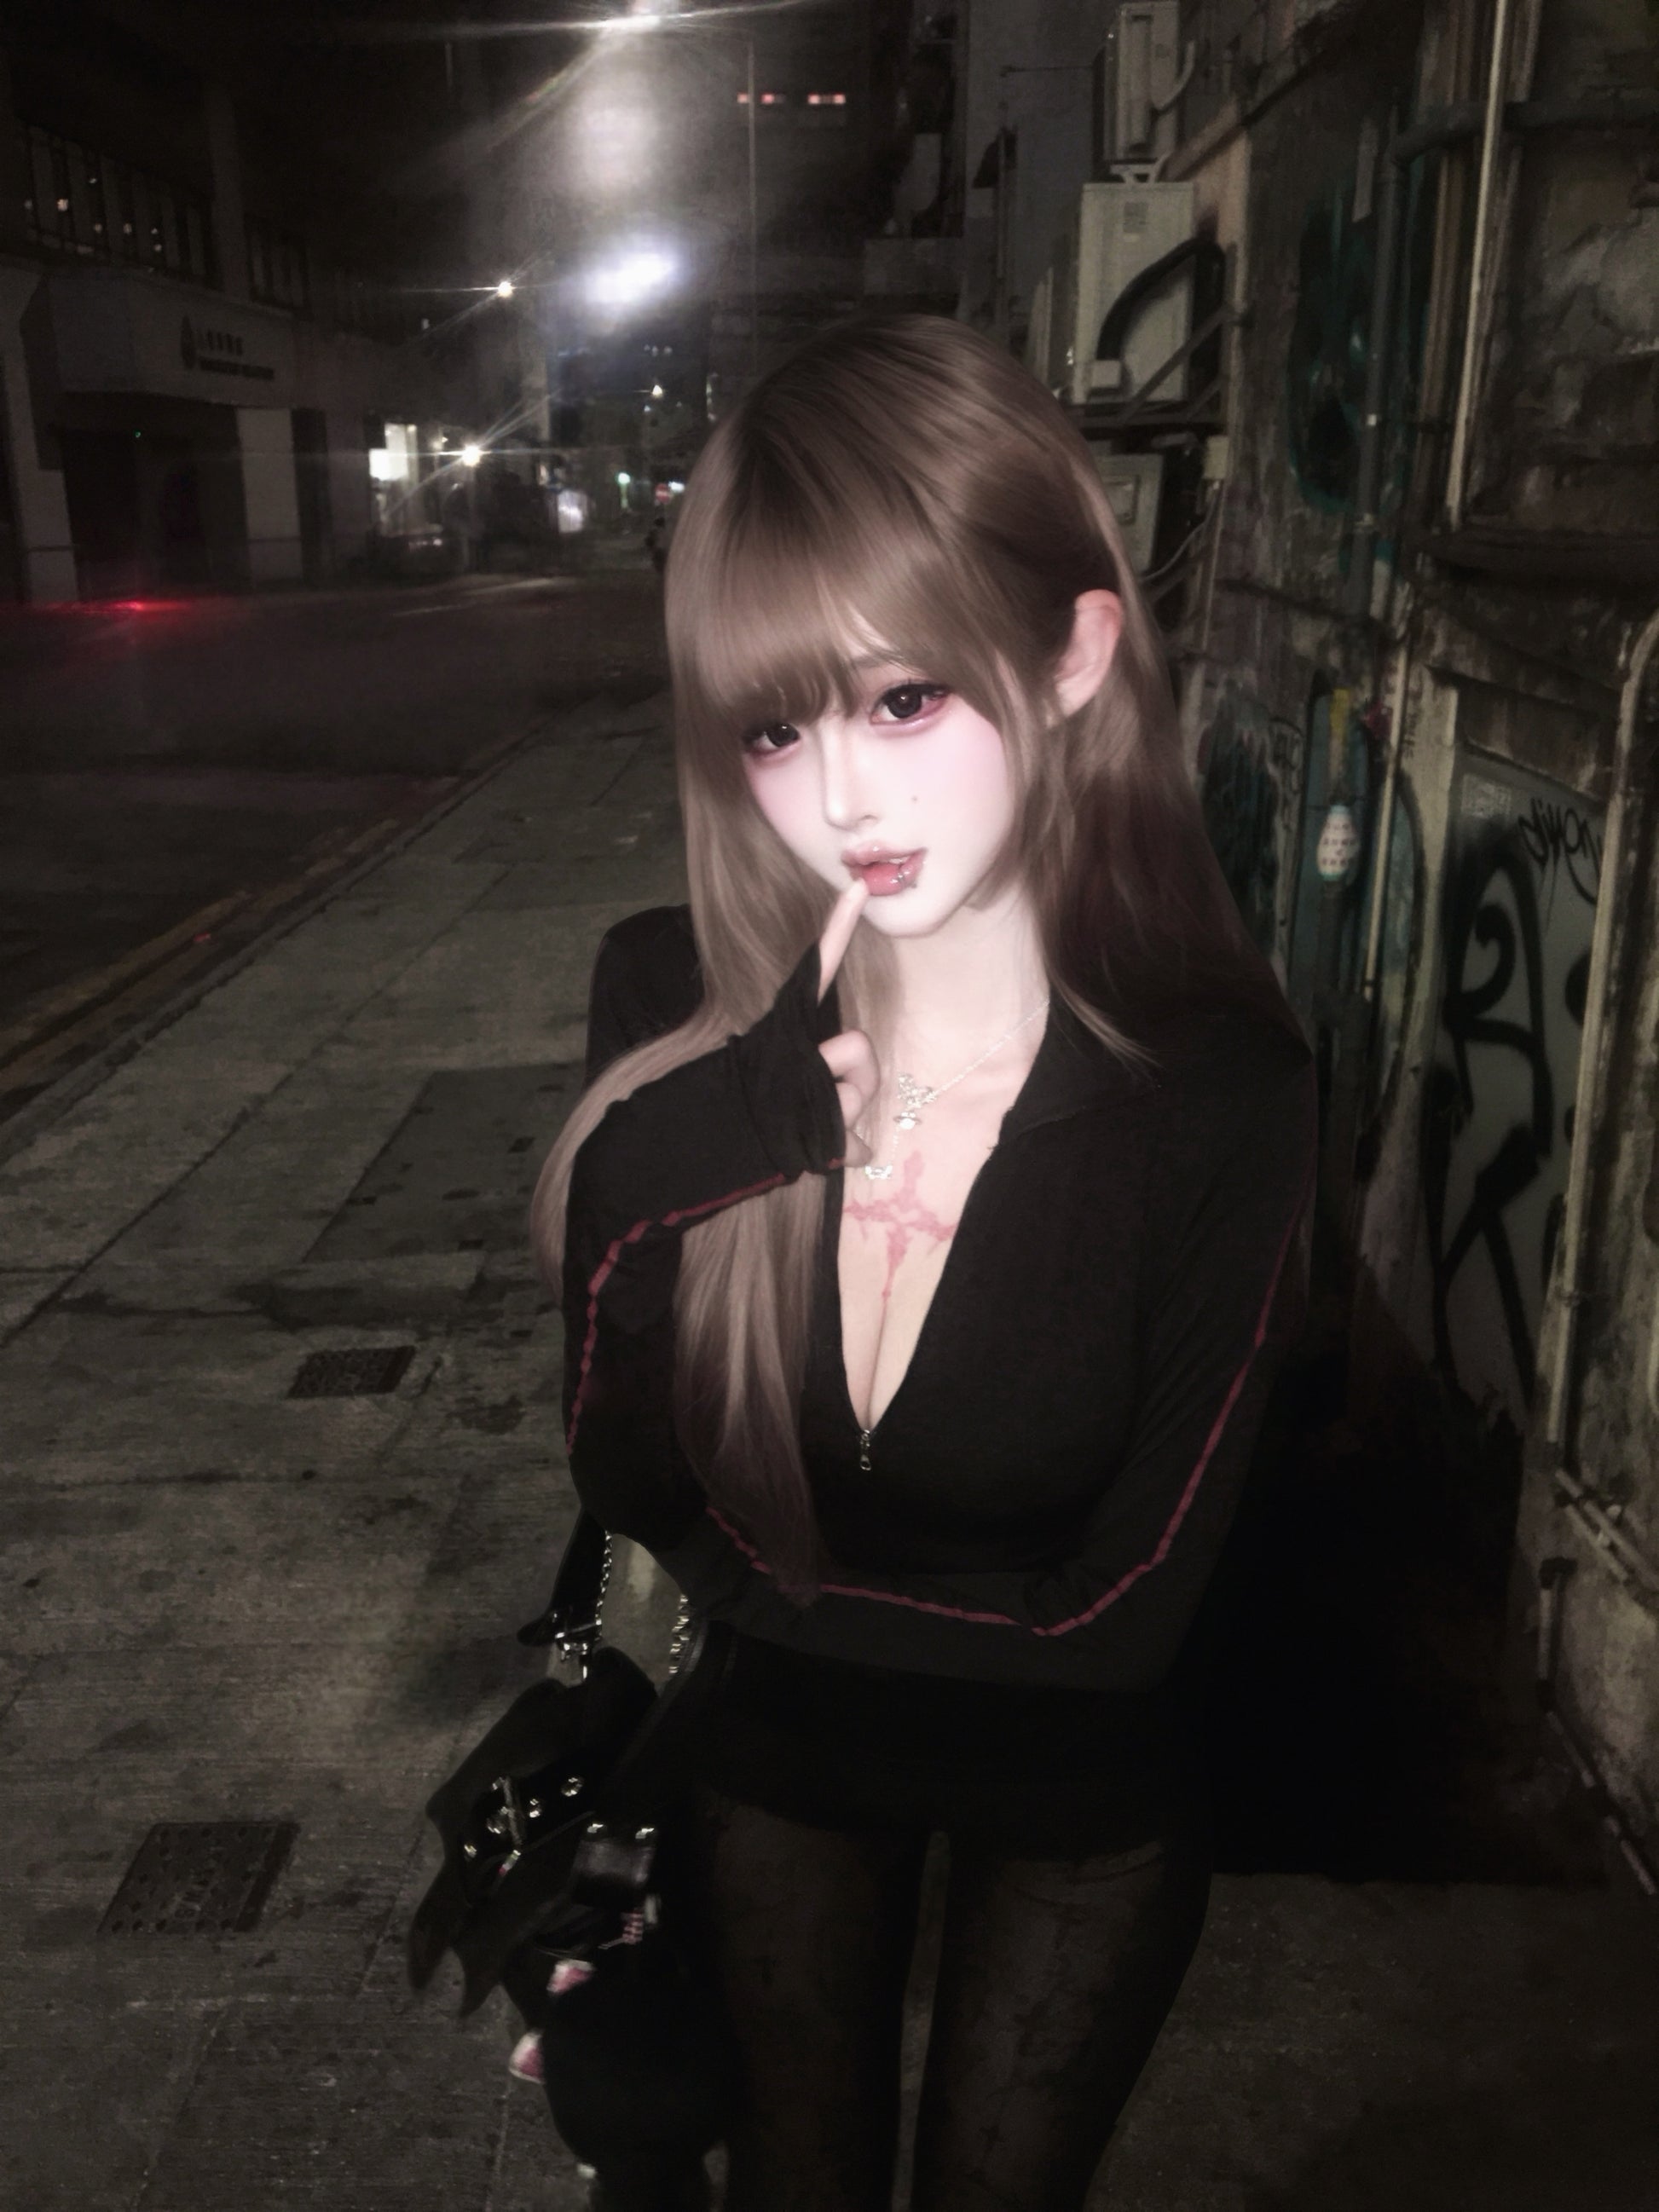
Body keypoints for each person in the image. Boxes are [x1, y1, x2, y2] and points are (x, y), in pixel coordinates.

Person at [532, 311, 1316, 2212]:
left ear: (1069, 655)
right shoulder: (676, 1007)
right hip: (776, 1762)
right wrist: (664, 1167)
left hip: (1075, 1787)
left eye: (899, 700)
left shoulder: (1217, 1086)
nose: (839, 801)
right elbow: (629, 1490)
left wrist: (744, 1604)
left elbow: (1121, 1612)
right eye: (774, 725)